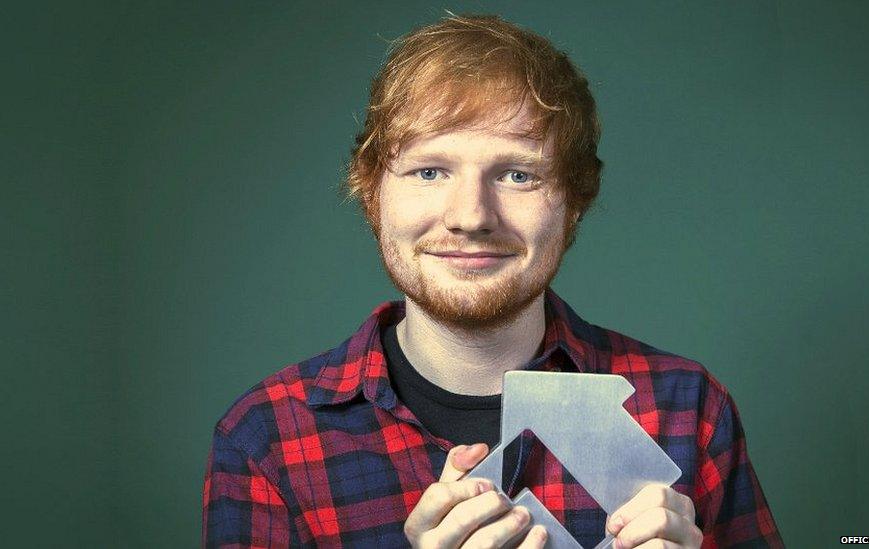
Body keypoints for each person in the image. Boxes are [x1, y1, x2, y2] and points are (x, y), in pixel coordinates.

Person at [202, 13, 783, 549]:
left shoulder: (688, 408)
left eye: (516, 174)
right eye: (429, 171)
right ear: (373, 193)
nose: (471, 215)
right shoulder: (266, 438)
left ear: (573, 201)